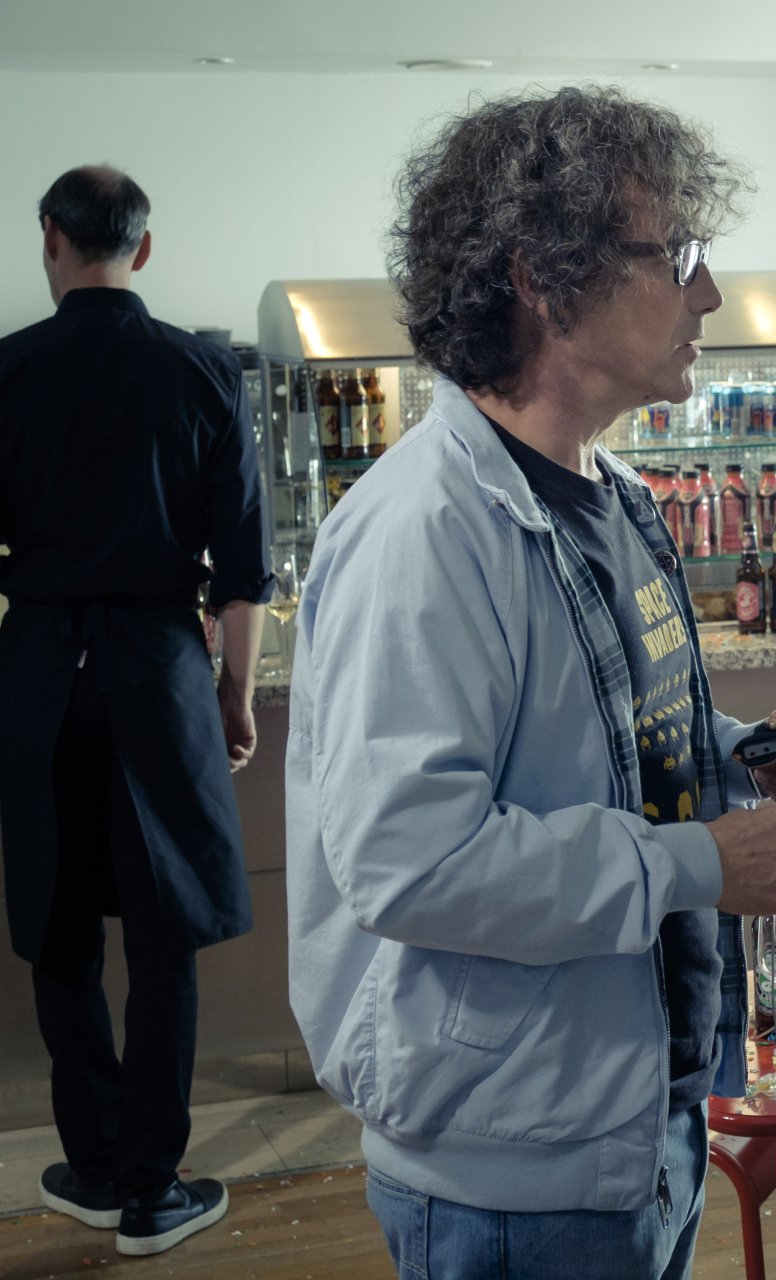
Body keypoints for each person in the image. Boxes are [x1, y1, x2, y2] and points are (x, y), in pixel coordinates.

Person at [284, 86, 776, 1280]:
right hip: (510, 1161)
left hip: (637, 1113)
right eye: (677, 255)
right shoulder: (424, 532)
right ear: (544, 281)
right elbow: (411, 858)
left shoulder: (616, 498)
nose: (708, 293)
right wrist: (698, 861)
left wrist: (748, 753)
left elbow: (611, 740)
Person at [0, 166, 269, 1256]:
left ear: (50, 240)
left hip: (36, 671)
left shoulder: (6, 370)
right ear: (143, 248)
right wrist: (234, 694)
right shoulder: (203, 370)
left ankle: (98, 1167)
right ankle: (154, 1188)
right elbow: (242, 567)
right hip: (159, 671)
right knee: (165, 934)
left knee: (58, 923)